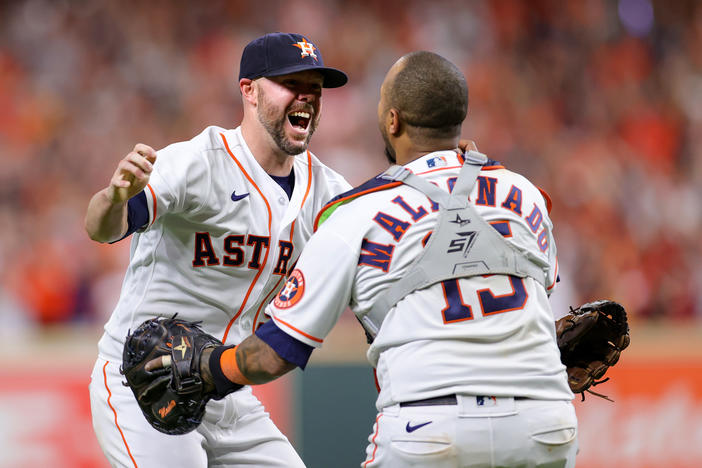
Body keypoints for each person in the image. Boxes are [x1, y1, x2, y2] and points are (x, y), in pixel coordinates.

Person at [194, 51, 578, 467]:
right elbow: (536, 297)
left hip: (429, 427)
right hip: (545, 422)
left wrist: (210, 368)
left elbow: (277, 350)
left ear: (392, 120)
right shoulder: (525, 194)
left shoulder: (355, 213)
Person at [85, 32, 351, 467]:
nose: (306, 97)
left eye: (314, 88)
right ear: (248, 89)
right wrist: (113, 197)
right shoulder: (198, 161)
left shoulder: (328, 192)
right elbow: (101, 228)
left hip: (225, 389)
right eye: (291, 84)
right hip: (143, 381)